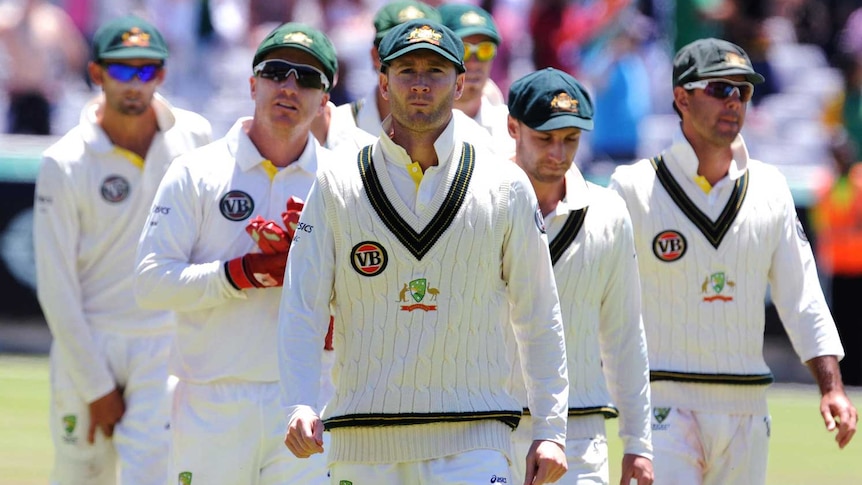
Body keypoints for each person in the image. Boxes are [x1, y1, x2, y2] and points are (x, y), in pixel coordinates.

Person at [279, 18, 569, 485]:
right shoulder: (336, 183)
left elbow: (539, 312)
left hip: (475, 440)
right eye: (407, 70)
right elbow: (302, 306)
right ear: (383, 80)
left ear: (459, 84)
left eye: (434, 71)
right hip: (363, 444)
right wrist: (298, 401)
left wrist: (552, 428)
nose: (419, 84)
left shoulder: (505, 185)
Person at [608, 38, 858, 484]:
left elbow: (801, 297)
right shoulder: (633, 188)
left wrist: (832, 388)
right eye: (721, 89)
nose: (734, 102)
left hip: (746, 406)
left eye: (743, 91)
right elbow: (602, 300)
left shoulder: (770, 188)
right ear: (682, 97)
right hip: (664, 404)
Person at [134, 22, 336, 484]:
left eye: (307, 78)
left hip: (308, 402)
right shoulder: (196, 172)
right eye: (277, 72)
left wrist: (320, 278)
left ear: (325, 99)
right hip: (211, 398)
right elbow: (150, 282)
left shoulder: (341, 181)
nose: (290, 87)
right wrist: (241, 273)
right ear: (252, 83)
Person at [33, 14, 212, 485]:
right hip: (91, 339)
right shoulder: (65, 161)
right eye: (123, 70)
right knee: (80, 474)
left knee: (152, 476)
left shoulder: (194, 137)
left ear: (162, 74)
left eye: (147, 70)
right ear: (97, 74)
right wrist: (94, 384)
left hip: (165, 342)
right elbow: (55, 285)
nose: (136, 83)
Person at [506, 67, 654, 485]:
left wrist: (639, 444)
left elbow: (625, 334)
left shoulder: (608, 213)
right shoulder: (480, 204)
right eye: (545, 138)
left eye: (570, 139)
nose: (558, 153)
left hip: (580, 434)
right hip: (491, 429)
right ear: (513, 127)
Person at [331, 0, 440, 136]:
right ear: (375, 56)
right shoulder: (336, 127)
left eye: (426, 54)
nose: (414, 65)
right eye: (398, 50)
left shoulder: (466, 131)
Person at [811, 129, 862, 386]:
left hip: (859, 268)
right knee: (841, 326)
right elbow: (822, 227)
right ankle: (847, 378)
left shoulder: (859, 182)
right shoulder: (826, 186)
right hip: (839, 269)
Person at [0, 0, 88, 134]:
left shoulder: (53, 19)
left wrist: (62, 82)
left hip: (44, 97)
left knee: (42, 144)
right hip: (15, 96)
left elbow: (76, 55)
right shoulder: (8, 17)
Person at [439, 2, 511, 147]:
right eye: (463, 50)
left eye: (485, 49)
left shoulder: (510, 129)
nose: (474, 63)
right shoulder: (413, 126)